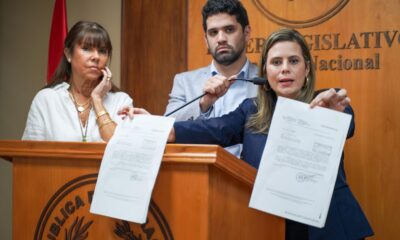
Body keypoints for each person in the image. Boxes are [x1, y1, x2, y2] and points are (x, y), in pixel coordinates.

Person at [166, 29, 374, 240]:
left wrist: (333, 117)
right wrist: (162, 128)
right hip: (268, 225)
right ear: (265, 71)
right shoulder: (251, 111)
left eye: (293, 61)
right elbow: (211, 129)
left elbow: (348, 123)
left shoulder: (327, 102)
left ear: (307, 68)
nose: (285, 69)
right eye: (276, 62)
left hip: (329, 227)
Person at [164, 0, 257, 157]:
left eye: (229, 30)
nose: (221, 38)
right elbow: (167, 128)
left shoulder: (267, 80)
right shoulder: (184, 82)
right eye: (213, 32)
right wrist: (203, 104)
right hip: (198, 176)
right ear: (206, 40)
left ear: (247, 33)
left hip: (251, 177)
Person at [22, 21, 133, 142]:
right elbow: (29, 154)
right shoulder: (47, 99)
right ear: (68, 54)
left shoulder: (121, 102)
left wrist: (97, 100)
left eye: (102, 51)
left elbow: (121, 150)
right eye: (86, 49)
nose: (96, 56)